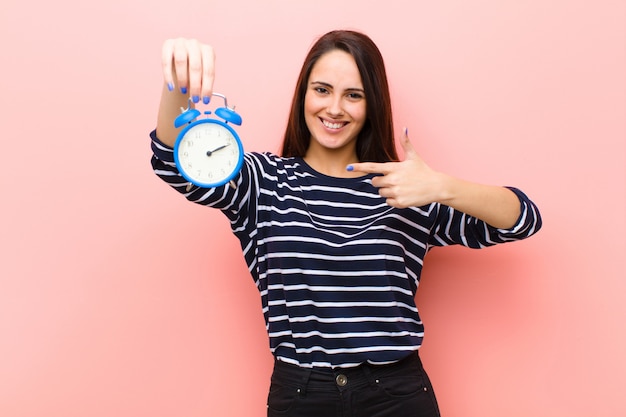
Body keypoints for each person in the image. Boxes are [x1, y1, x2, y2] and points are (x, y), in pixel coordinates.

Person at [150, 30, 542, 417]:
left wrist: (442, 186)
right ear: (304, 94)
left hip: (397, 394)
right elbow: (172, 161)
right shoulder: (263, 181)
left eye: (353, 95)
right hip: (301, 394)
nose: (334, 108)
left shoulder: (407, 189)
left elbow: (522, 219)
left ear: (372, 105)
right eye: (322, 90)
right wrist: (177, 83)